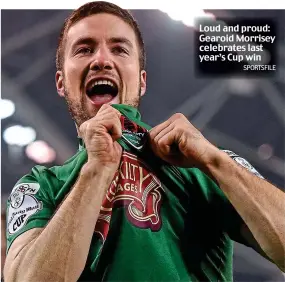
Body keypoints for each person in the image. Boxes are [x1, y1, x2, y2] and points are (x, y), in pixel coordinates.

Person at [3, 2, 285, 281]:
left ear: (142, 81)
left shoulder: (203, 166)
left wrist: (215, 161)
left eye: (119, 49)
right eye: (84, 49)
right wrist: (96, 169)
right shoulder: (39, 186)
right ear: (61, 82)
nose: (101, 60)